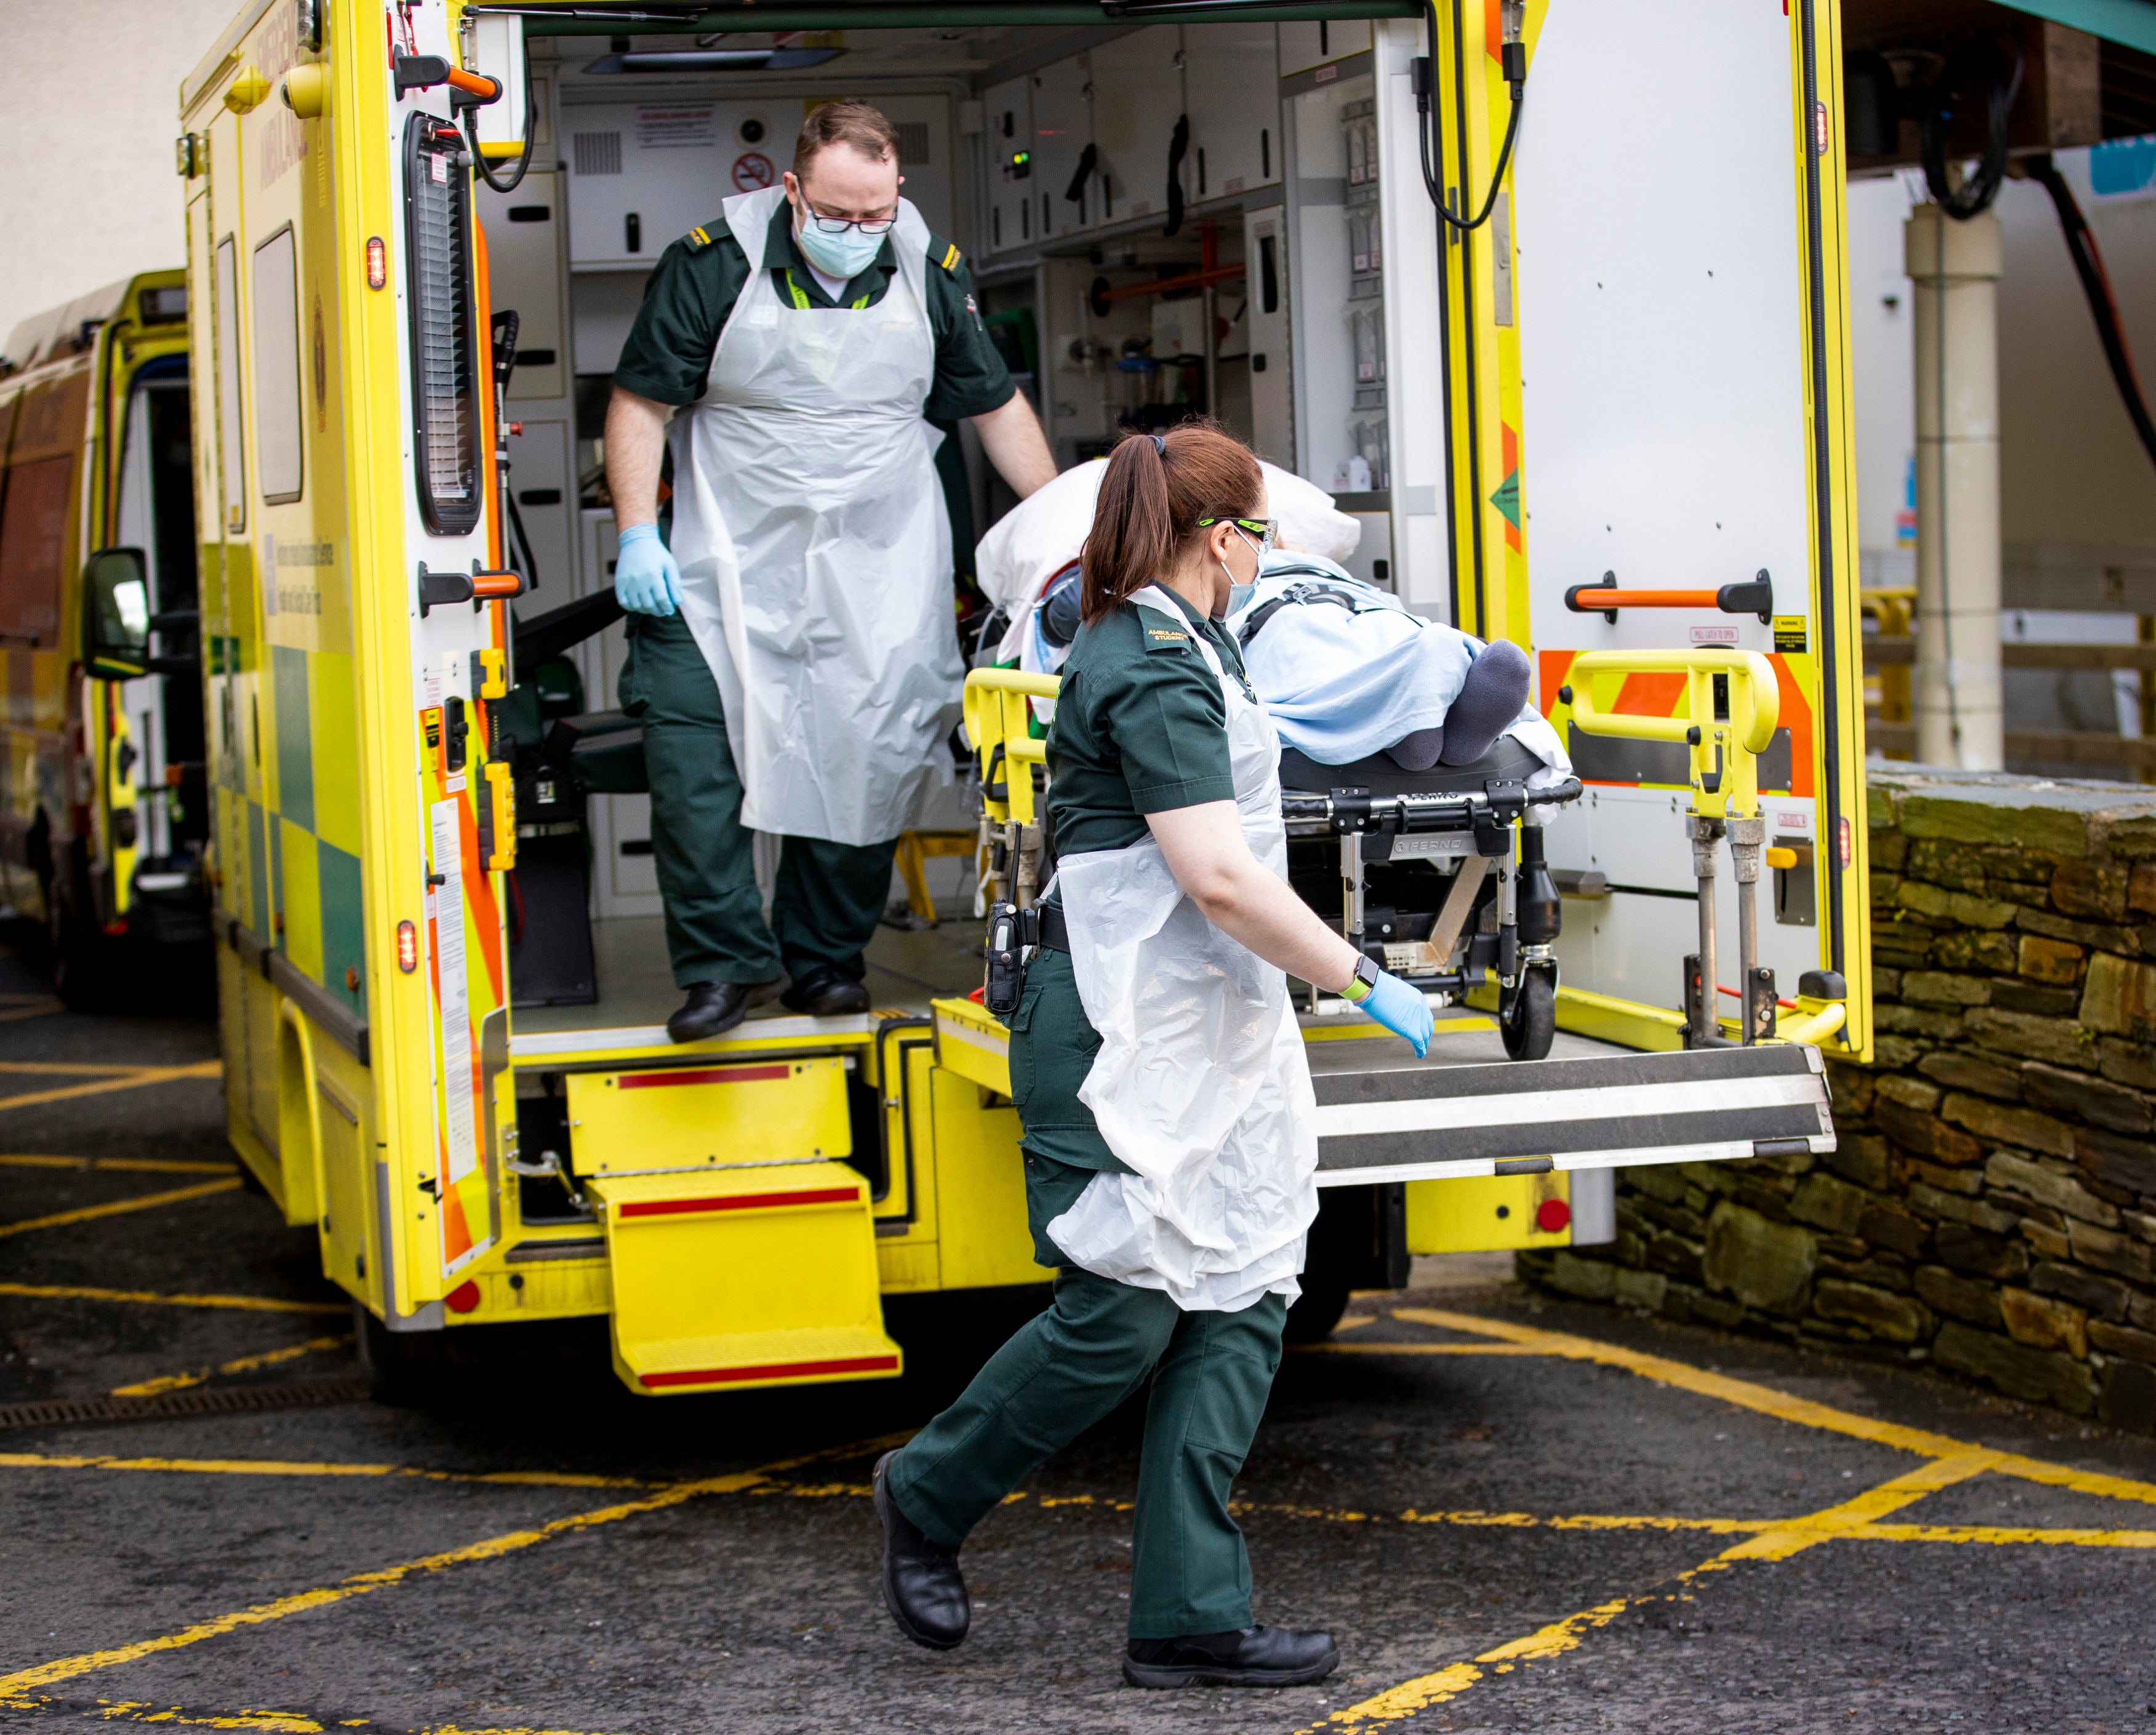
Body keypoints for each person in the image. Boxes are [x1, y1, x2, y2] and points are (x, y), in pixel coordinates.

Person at [872, 423, 1433, 1689]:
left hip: (1209, 1018)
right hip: (1117, 1023)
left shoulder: (1195, 637)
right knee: (1123, 1309)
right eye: (1259, 538)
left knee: (1243, 1293)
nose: (1262, 559)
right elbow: (1219, 877)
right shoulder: (1144, 665)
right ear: (1224, 540)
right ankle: (926, 1489)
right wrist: (1363, 975)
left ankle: (1188, 1613)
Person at [605, 101, 1057, 1042]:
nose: (857, 234)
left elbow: (994, 407)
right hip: (722, 562)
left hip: (879, 564)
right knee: (696, 768)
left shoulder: (930, 274)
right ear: (793, 190)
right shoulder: (711, 264)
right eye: (838, 214)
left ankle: (823, 959)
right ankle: (725, 970)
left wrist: (1063, 531)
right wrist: (637, 532)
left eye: (876, 216)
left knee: (867, 756)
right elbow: (641, 404)